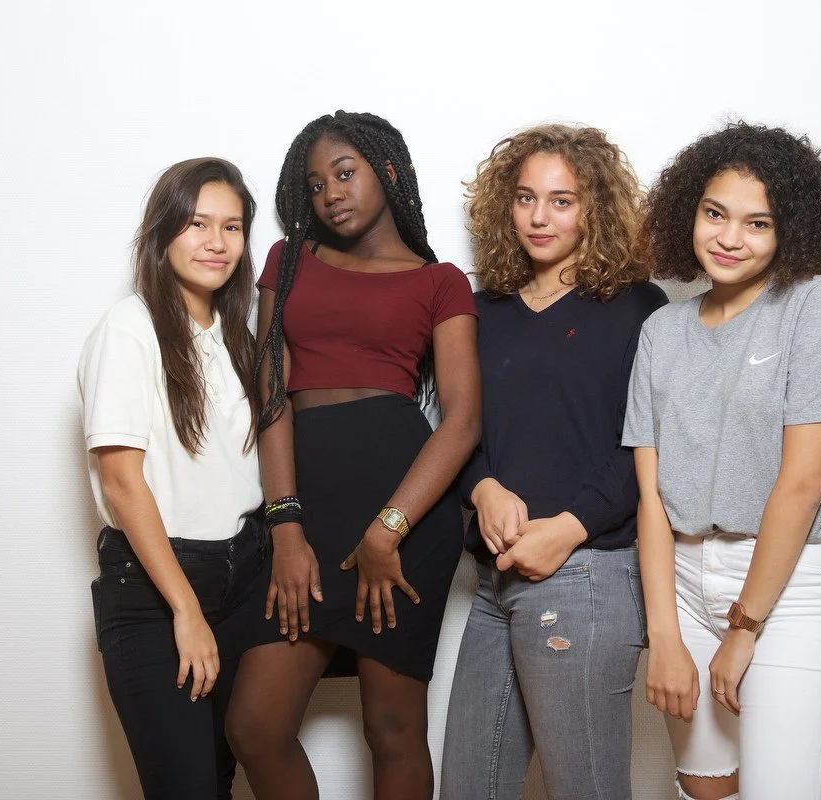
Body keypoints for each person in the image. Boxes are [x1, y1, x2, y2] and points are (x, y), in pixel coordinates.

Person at [225, 110, 481, 800]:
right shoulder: (290, 262)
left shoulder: (440, 281)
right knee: (255, 723)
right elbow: (270, 394)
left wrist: (387, 529)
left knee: (392, 729)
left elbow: (461, 423)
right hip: (307, 502)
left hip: (405, 512)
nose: (331, 193)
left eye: (345, 173)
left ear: (387, 171)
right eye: (314, 185)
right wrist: (285, 523)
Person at [624, 122, 821, 800]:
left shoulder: (812, 305)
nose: (729, 237)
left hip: (787, 586)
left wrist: (744, 628)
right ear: (690, 213)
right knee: (705, 788)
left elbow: (801, 485)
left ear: (789, 233)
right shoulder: (661, 331)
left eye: (756, 223)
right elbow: (650, 497)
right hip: (680, 580)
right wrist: (665, 636)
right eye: (715, 213)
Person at [439, 123, 667, 800]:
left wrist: (567, 527)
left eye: (562, 200)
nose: (540, 217)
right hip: (492, 581)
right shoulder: (481, 312)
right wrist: (480, 489)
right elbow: (457, 429)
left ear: (594, 207)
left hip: (587, 575)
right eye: (526, 198)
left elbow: (650, 452)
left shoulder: (638, 308)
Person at [79, 158, 264, 799]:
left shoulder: (236, 335)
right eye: (196, 224)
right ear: (162, 234)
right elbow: (123, 481)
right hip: (158, 591)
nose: (217, 242)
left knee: (219, 777)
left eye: (233, 227)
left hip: (243, 577)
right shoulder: (130, 330)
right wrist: (185, 609)